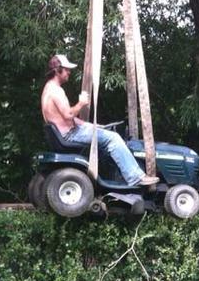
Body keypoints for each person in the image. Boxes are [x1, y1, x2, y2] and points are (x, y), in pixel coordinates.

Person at [41, 53, 158, 187]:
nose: (69, 72)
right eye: (66, 69)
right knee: (113, 138)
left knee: (105, 132)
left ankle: (114, 178)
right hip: (70, 135)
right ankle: (135, 177)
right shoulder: (56, 91)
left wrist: (93, 126)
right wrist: (81, 103)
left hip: (70, 131)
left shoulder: (48, 88)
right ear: (57, 70)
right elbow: (68, 114)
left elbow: (66, 119)